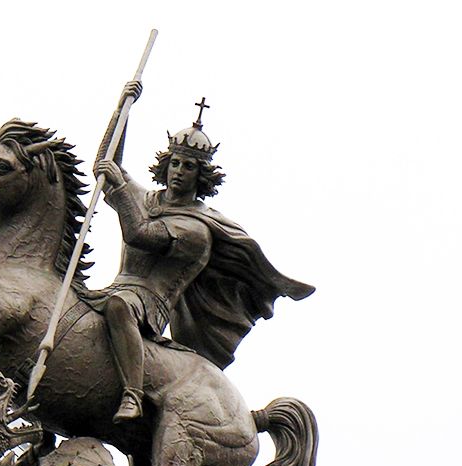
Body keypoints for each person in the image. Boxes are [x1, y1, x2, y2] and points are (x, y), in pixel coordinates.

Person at [89, 84, 315, 423]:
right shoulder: (147, 200)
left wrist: (120, 192)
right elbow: (105, 166)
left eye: (189, 166)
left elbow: (139, 234)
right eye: (176, 163)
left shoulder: (196, 229)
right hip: (115, 286)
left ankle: (133, 395)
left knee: (119, 307)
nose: (179, 171)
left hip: (147, 302)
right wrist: (122, 111)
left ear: (201, 174)